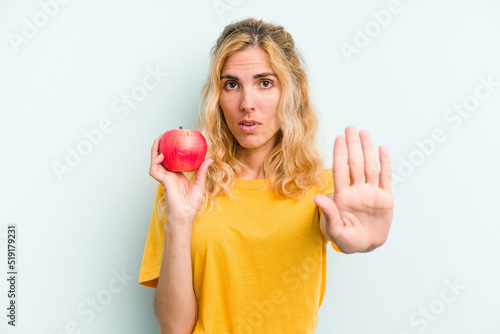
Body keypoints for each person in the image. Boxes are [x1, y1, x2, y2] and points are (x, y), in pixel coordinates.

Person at [139, 18, 394, 334]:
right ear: (217, 97)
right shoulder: (183, 186)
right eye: (231, 84)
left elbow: (333, 217)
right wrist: (179, 221)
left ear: (291, 93)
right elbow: (174, 328)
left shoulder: (321, 188)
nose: (247, 104)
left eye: (265, 83)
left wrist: (359, 237)